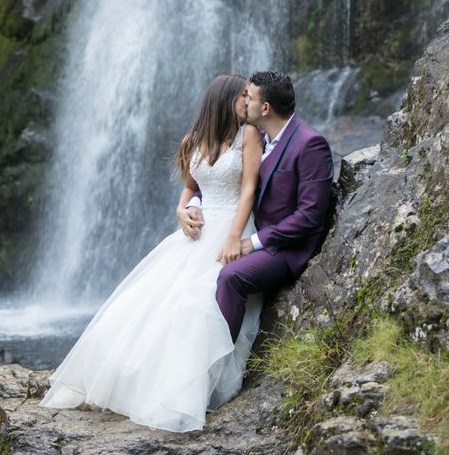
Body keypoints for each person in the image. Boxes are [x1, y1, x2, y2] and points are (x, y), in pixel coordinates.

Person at [40, 74, 265, 432]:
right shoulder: (193, 141)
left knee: (199, 303)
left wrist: (235, 237)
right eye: (241, 96)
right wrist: (180, 211)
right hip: (197, 232)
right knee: (151, 304)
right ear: (223, 100)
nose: (248, 102)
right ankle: (135, 383)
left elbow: (249, 190)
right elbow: (191, 188)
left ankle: (190, 387)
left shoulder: (248, 135)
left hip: (231, 227)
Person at [180, 71, 334, 342]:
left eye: (247, 97)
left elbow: (310, 215)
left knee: (230, 276)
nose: (242, 102)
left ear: (265, 108)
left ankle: (215, 360)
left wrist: (253, 241)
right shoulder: (258, 136)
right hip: (248, 230)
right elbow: (222, 180)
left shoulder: (309, 143)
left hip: (286, 248)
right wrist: (192, 204)